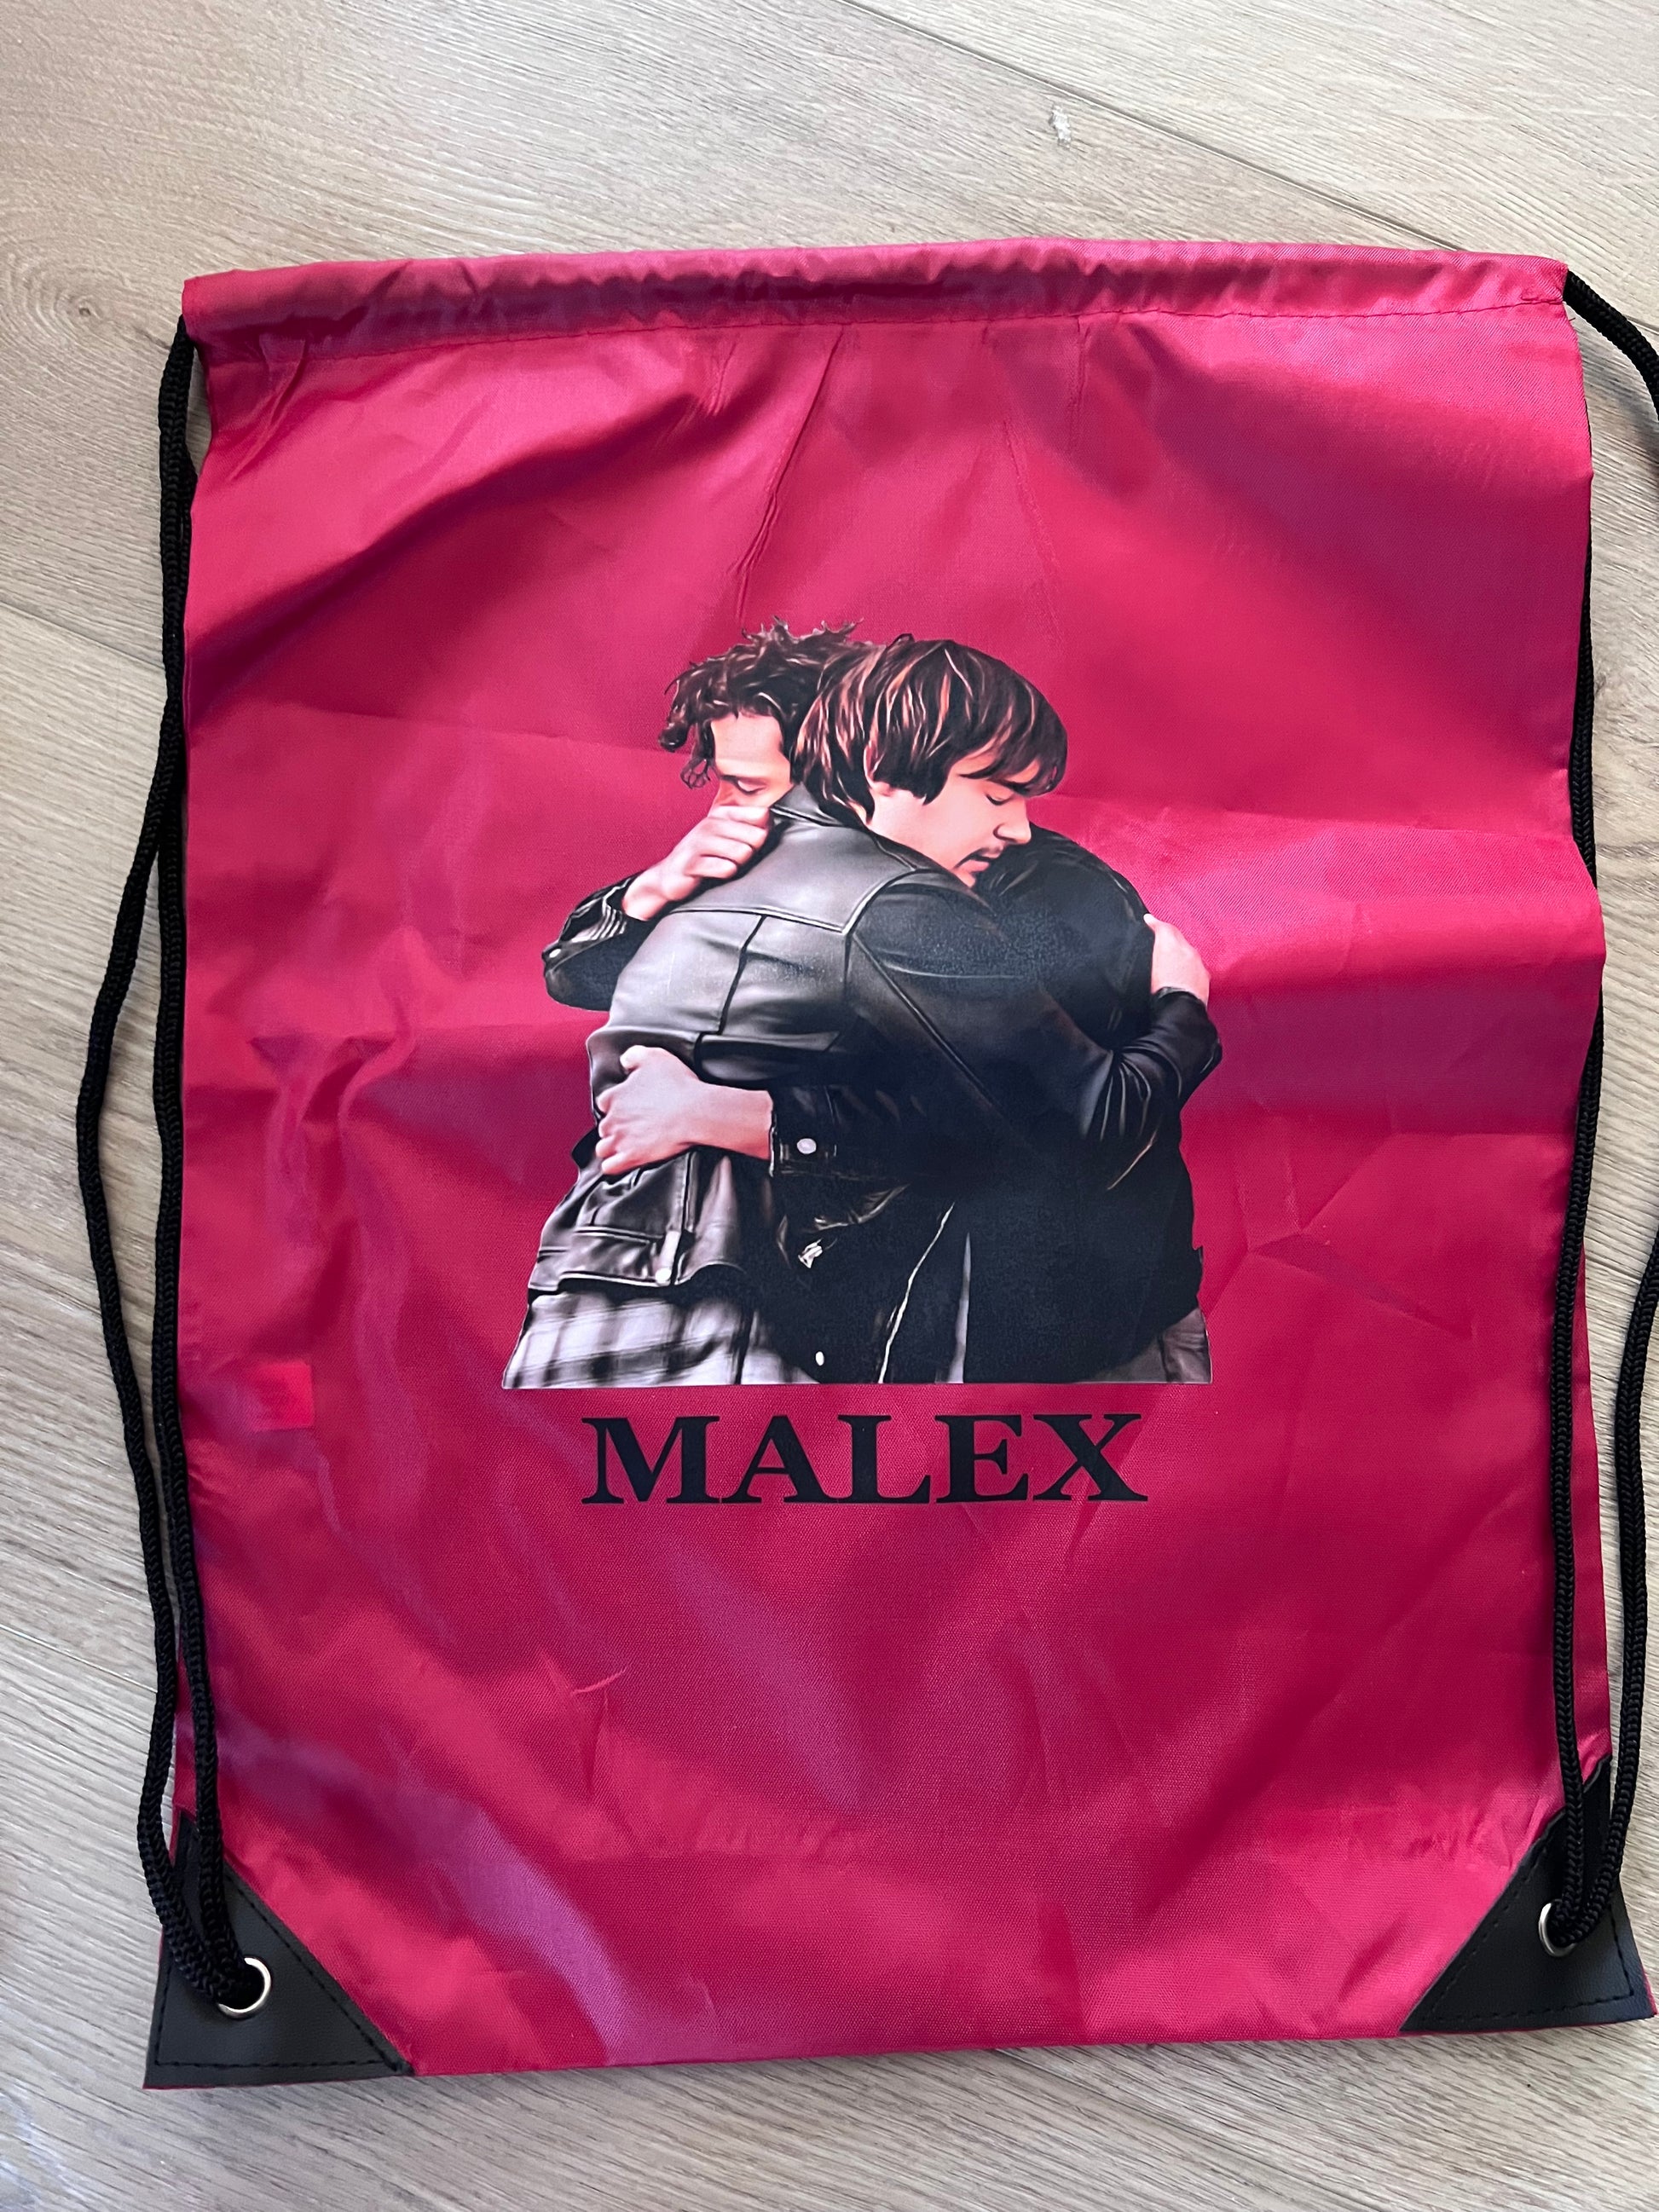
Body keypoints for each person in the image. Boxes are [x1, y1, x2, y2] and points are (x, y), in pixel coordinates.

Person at [503, 633, 1220, 1388]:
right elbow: (593, 977)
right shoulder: (810, 877)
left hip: (1078, 1337)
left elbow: (1037, 1126)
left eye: (754, 787)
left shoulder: (1002, 894)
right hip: (707, 1296)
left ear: (859, 754)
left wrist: (743, 1116)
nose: (741, 819)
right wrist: (650, 889)